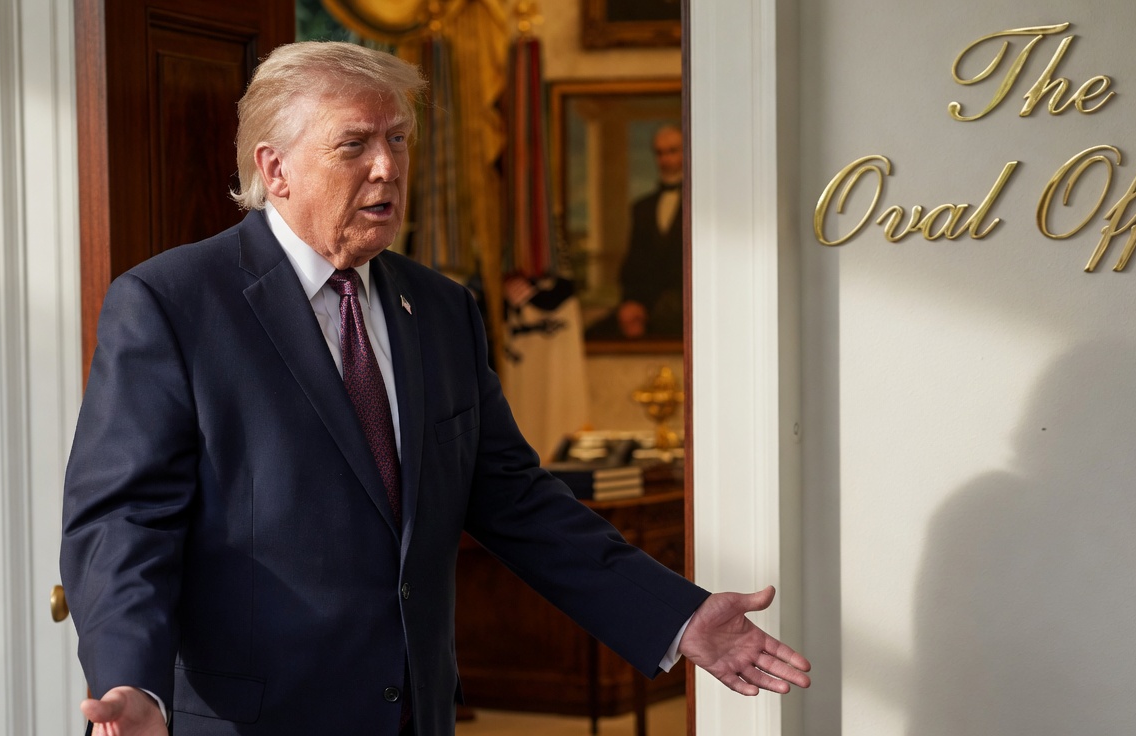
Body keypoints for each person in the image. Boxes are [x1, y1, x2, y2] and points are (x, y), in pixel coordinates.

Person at [60, 42, 809, 736]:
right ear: (275, 168)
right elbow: (124, 522)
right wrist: (132, 681)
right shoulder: (173, 304)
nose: (387, 167)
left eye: (398, 139)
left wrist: (677, 617)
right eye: (354, 144)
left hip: (415, 715)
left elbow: (517, 500)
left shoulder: (442, 309)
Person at [587, 125, 685, 340]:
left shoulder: (703, 205)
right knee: (595, 334)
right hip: (647, 302)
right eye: (659, 153)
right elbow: (635, 261)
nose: (665, 159)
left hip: (687, 306)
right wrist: (631, 302)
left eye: (672, 151)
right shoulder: (642, 208)